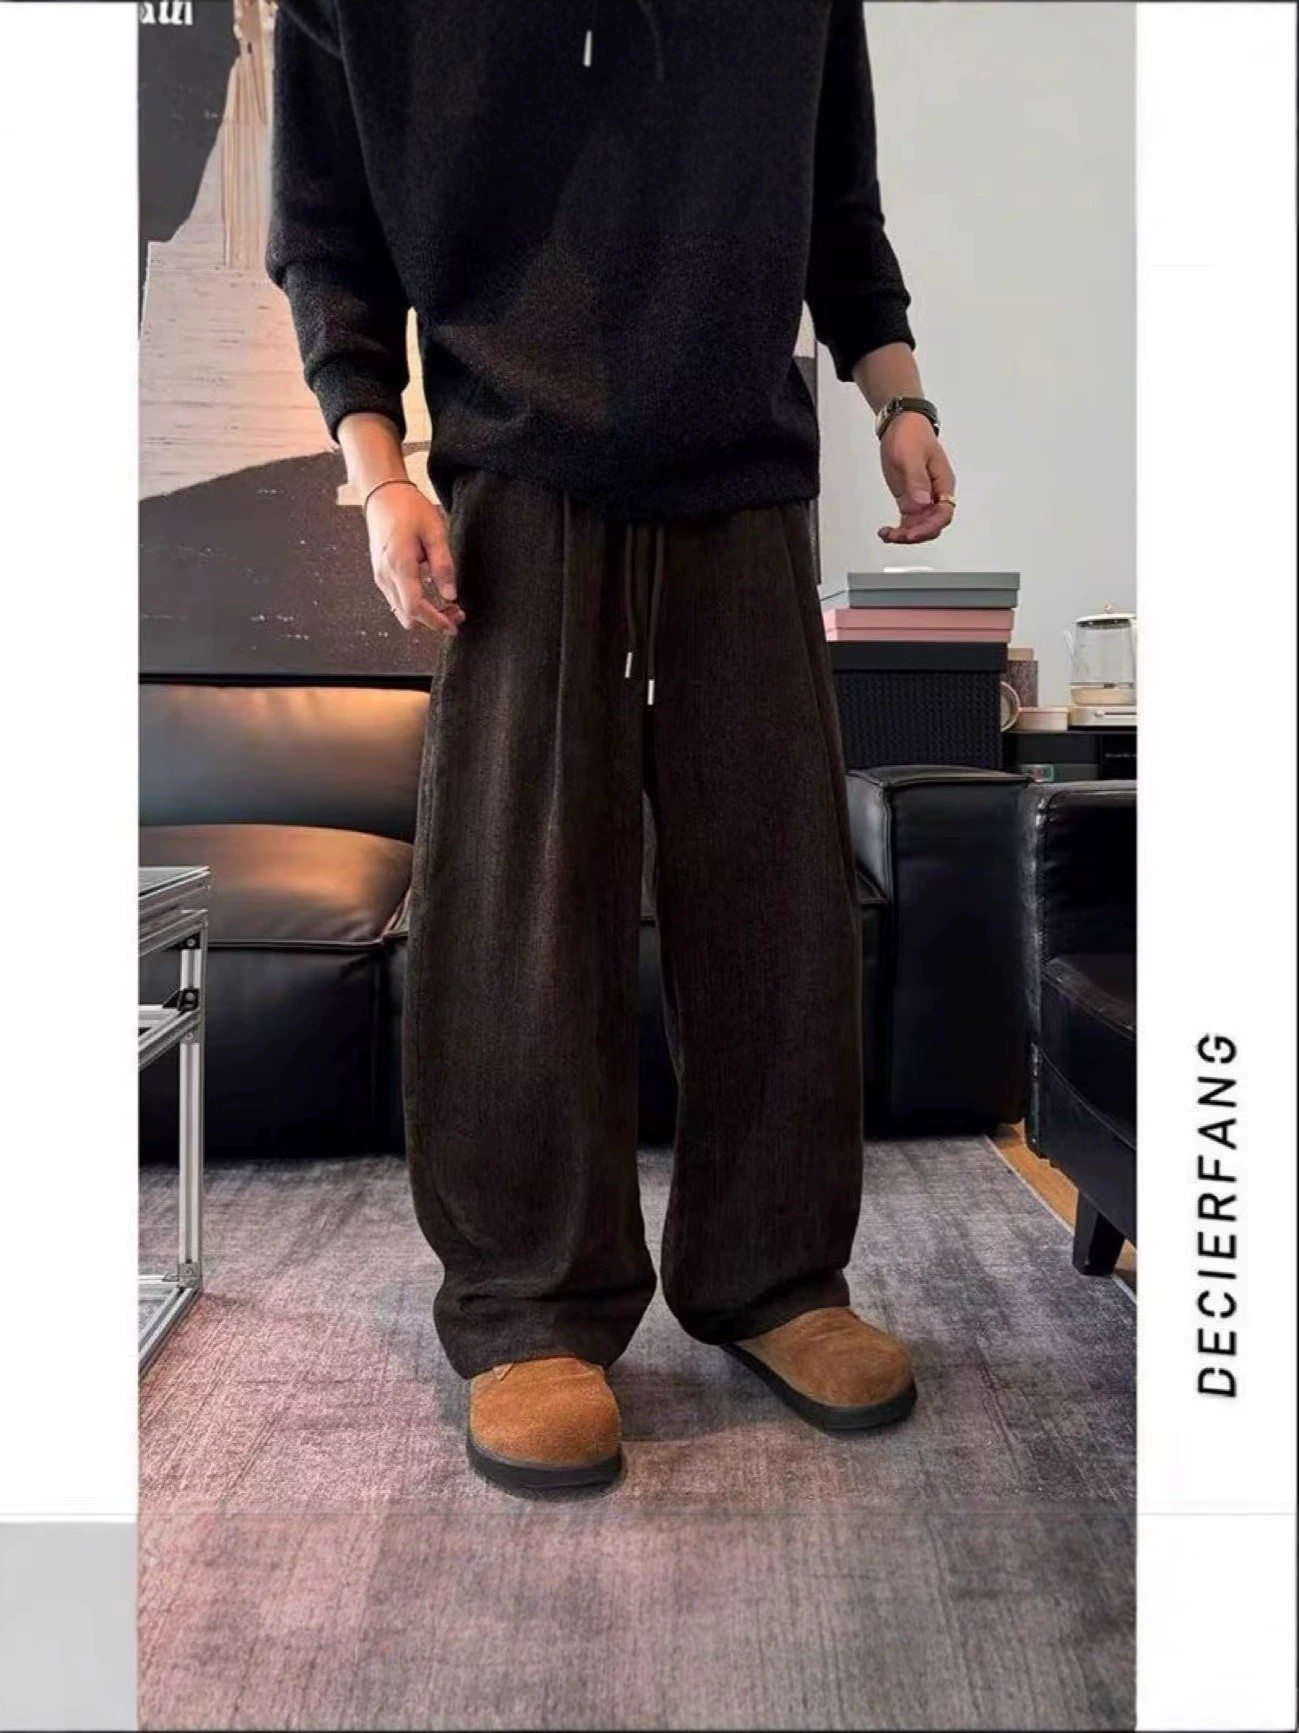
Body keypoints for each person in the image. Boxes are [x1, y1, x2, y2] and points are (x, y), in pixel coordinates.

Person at [266, 0, 956, 1496]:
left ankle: (775, 1277)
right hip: (515, 477)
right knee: (517, 915)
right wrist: (379, 474)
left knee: (778, 899)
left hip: (744, 476)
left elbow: (838, 202)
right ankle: (532, 1303)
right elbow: (326, 235)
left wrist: (895, 391)